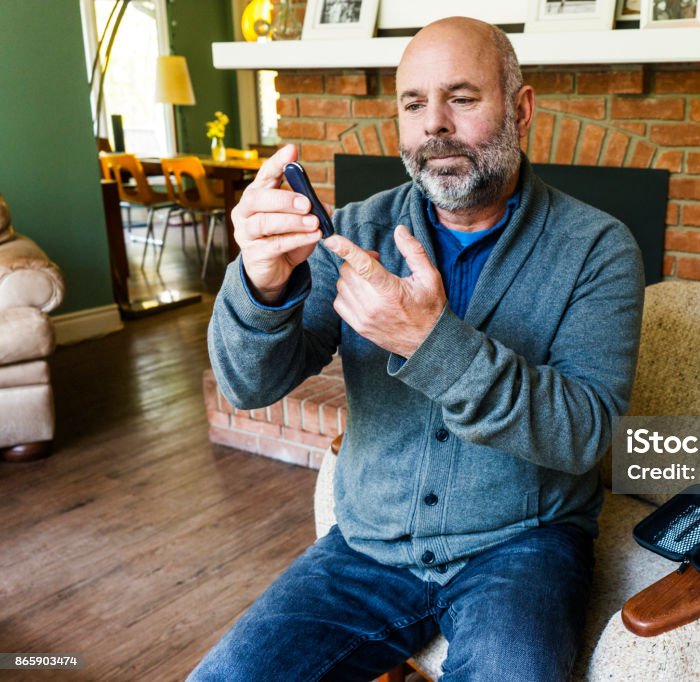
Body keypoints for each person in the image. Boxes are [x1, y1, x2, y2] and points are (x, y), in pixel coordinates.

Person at [192, 16, 644, 682]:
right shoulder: (352, 232)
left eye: (461, 98)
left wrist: (432, 344)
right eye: (413, 103)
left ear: (520, 110)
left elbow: (585, 432)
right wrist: (261, 284)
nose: (434, 123)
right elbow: (247, 385)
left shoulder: (598, 249)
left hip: (522, 545)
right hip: (367, 545)